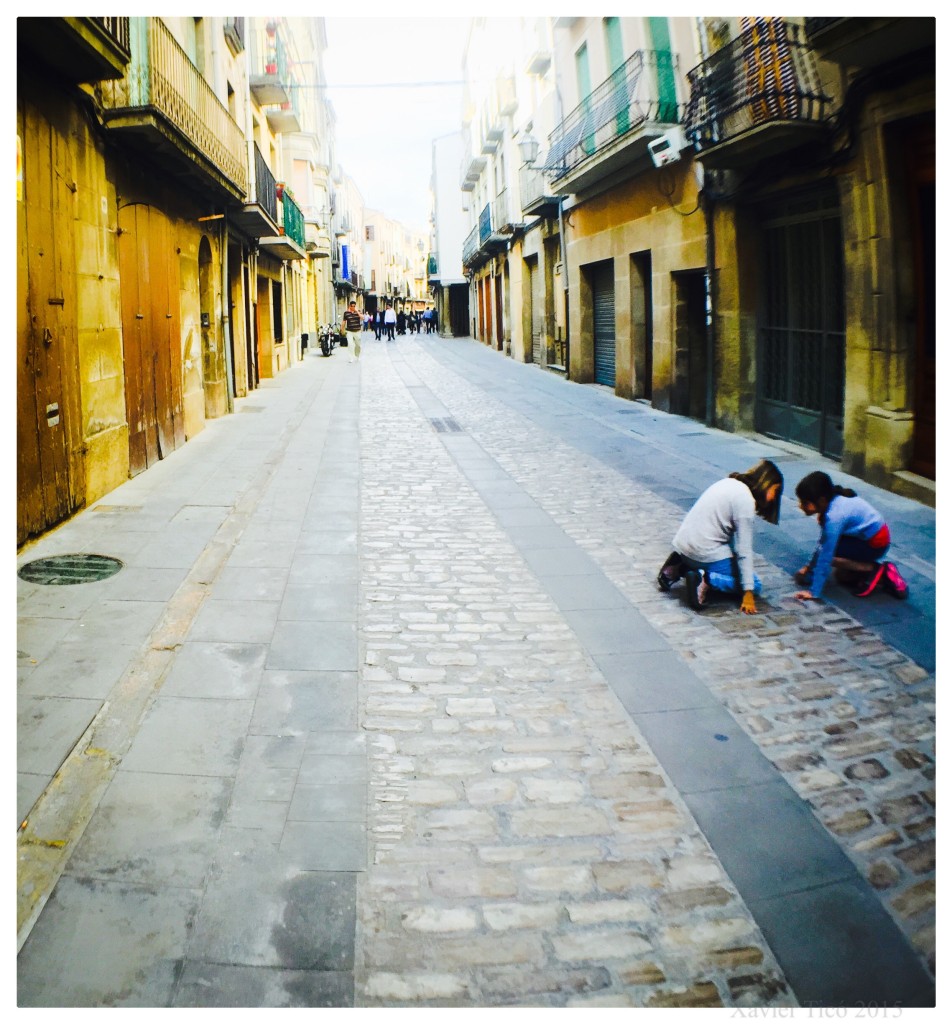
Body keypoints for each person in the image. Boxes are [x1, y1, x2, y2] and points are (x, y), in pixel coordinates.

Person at [657, 459, 784, 615]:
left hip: (683, 546)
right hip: (703, 552)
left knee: (728, 561)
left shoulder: (729, 483)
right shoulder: (746, 501)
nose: (774, 498)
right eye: (775, 491)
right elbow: (743, 550)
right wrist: (748, 592)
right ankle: (705, 579)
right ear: (766, 483)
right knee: (755, 583)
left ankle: (678, 568)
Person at [793, 471, 908, 600]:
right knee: (842, 577)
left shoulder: (834, 517)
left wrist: (813, 592)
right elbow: (822, 542)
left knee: (830, 557)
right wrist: (809, 568)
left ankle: (875, 569)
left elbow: (825, 553)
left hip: (876, 544)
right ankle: (872, 574)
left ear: (822, 500)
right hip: (866, 537)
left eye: (805, 503)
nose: (800, 506)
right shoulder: (833, 503)